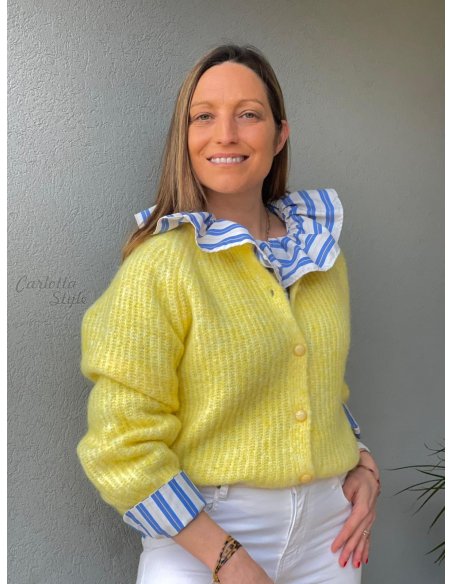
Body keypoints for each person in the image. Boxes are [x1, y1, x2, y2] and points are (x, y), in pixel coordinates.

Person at [77, 44, 380, 584]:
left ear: (280, 135)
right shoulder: (160, 267)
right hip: (203, 536)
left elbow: (320, 388)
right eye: (204, 117)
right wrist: (227, 560)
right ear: (185, 137)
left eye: (248, 114)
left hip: (328, 538)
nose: (226, 134)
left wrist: (361, 461)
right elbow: (120, 443)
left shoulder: (321, 255)